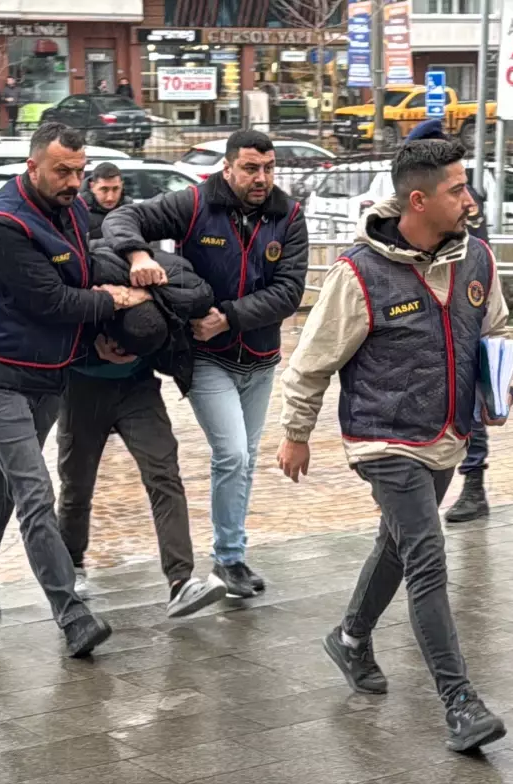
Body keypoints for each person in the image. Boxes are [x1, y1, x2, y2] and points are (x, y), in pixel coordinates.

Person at [276, 139, 510, 753]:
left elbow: (494, 330)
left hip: (446, 433)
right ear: (419, 200)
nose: (468, 199)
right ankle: (460, 703)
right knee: (427, 556)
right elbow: (310, 363)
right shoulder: (358, 274)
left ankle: (349, 638)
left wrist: (499, 386)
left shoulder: (477, 259)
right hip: (382, 437)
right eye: (456, 189)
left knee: (397, 545)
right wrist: (297, 433)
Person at [0, 122, 149, 656]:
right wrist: (116, 301)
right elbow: (53, 302)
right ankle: (71, 613)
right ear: (32, 166)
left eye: (80, 172)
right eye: (62, 171)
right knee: (34, 490)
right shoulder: (2, 225)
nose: (74, 182)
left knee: (6, 479)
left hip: (47, 372)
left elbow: (79, 278)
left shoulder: (74, 211)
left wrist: (97, 339)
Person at [102, 129, 309, 599]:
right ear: (228, 168)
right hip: (205, 357)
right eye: (251, 168)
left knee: (246, 460)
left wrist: (229, 317)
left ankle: (231, 558)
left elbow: (289, 291)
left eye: (269, 168)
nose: (262, 178)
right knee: (232, 454)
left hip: (260, 357)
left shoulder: (289, 215)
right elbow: (122, 217)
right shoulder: (195, 204)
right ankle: (228, 557)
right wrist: (137, 253)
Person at [57, 243, 228, 617]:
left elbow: (188, 302)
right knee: (76, 484)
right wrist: (91, 348)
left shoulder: (151, 270)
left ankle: (181, 580)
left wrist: (146, 302)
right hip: (83, 387)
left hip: (138, 387)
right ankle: (71, 564)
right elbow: (53, 317)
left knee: (164, 474)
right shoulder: (78, 267)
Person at [405, 118, 491, 523]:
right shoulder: (427, 193)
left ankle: (473, 486)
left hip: (459, 308)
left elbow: (474, 254)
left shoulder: (460, 197)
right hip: (425, 312)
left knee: (467, 400)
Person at [82, 161, 127, 239]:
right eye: (104, 189)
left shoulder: (129, 208)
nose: (110, 197)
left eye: (115, 189)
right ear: (92, 186)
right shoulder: (78, 210)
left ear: (122, 185)